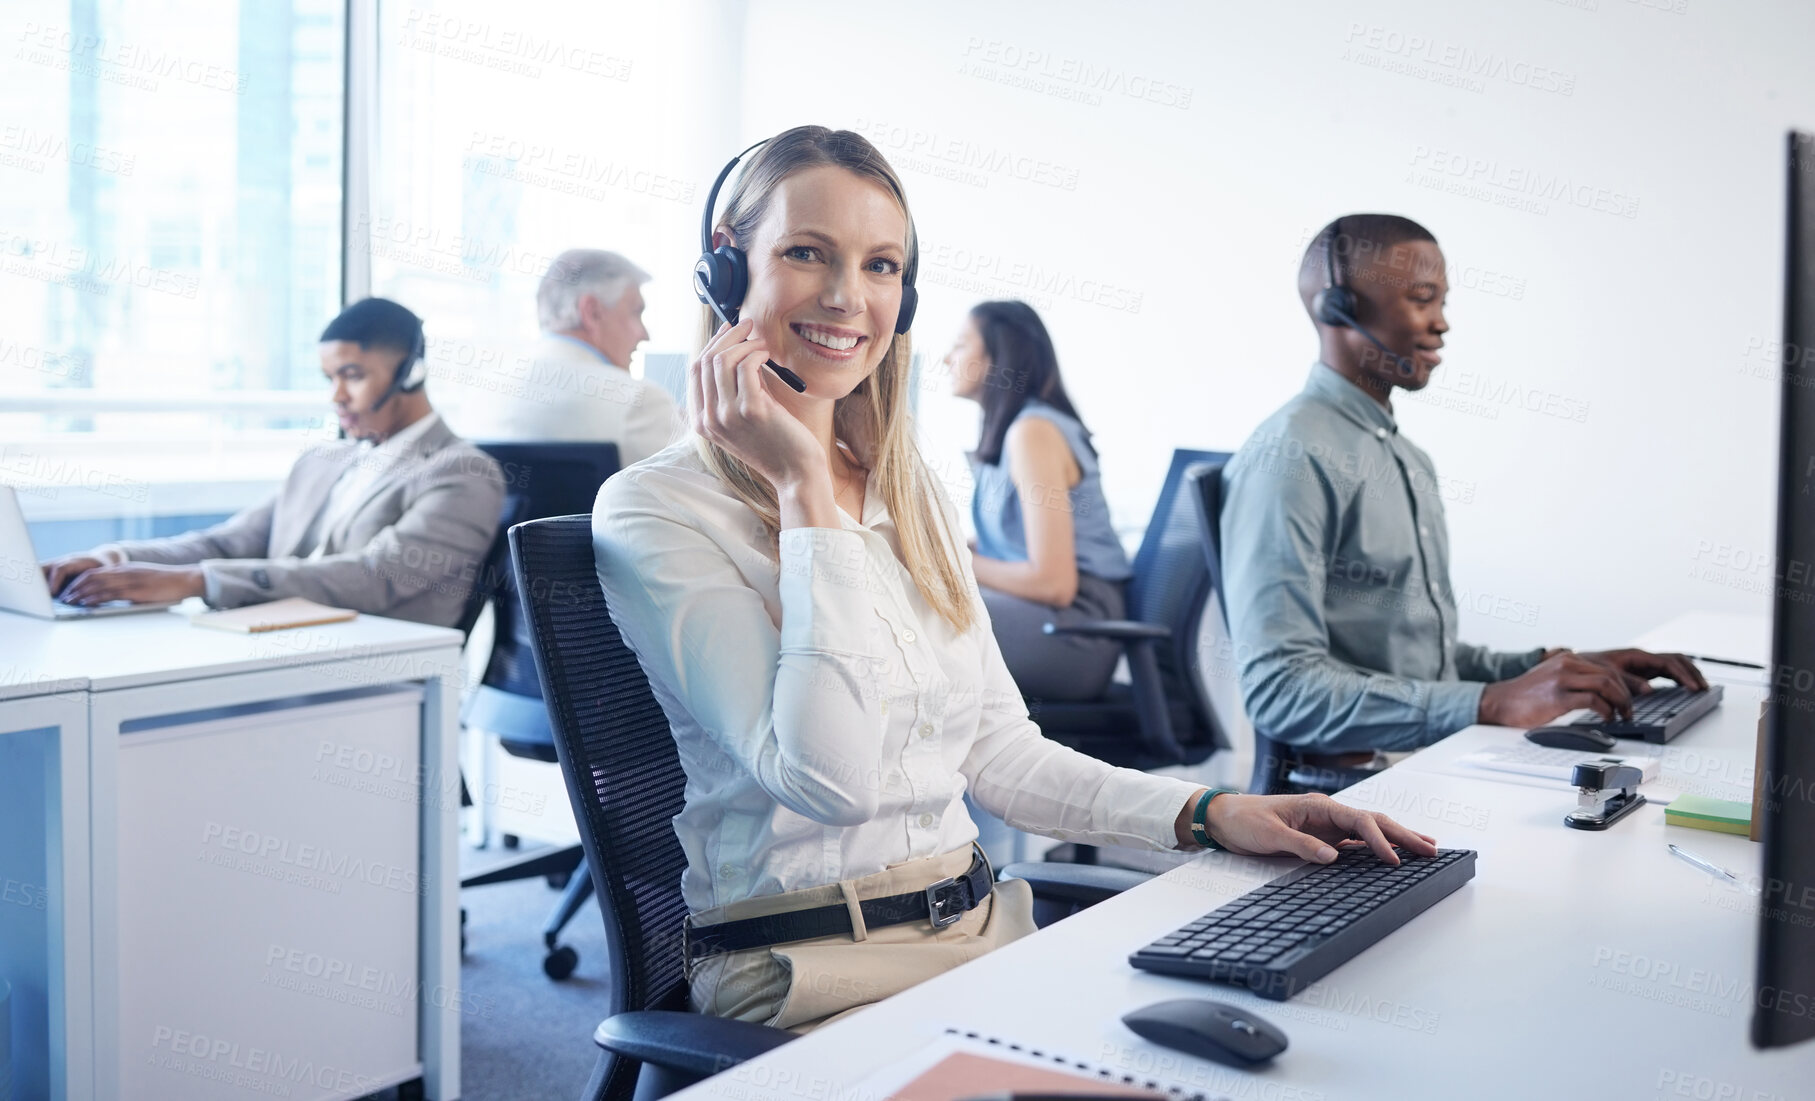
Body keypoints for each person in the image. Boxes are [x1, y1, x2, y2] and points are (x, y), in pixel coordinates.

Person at [592, 128, 1438, 1033]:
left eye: (881, 265)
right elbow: (827, 782)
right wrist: (803, 487)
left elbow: (1000, 755)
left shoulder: (904, 490)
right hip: (808, 978)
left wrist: (1215, 811)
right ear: (724, 272)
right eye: (807, 253)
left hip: (987, 938)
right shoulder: (656, 508)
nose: (848, 296)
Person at [1219, 214, 1706, 763]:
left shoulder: (1406, 458)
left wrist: (1553, 668)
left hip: (1429, 757)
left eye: (1442, 302)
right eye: (1422, 299)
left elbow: (1416, 660)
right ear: (1340, 309)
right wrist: (1491, 703)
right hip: (1364, 790)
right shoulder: (1289, 457)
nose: (1442, 323)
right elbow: (1281, 693)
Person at [41, 298, 505, 628]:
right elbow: (228, 543)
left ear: (410, 373)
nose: (336, 397)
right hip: (277, 646)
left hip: (376, 671)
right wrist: (113, 559)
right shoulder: (323, 461)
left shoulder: (462, 471)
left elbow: (374, 577)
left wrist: (196, 582)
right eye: (330, 378)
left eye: (353, 376)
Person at [945, 300, 1130, 703]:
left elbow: (1053, 583)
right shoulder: (1013, 431)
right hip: (1046, 616)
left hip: (1076, 629)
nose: (946, 359)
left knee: (923, 622)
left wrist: (946, 561)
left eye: (960, 346)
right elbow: (1007, 542)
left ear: (1000, 356)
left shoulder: (1033, 432)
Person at [444, 248, 681, 464]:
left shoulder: (481, 396)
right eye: (636, 312)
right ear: (592, 312)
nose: (645, 334)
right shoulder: (639, 403)